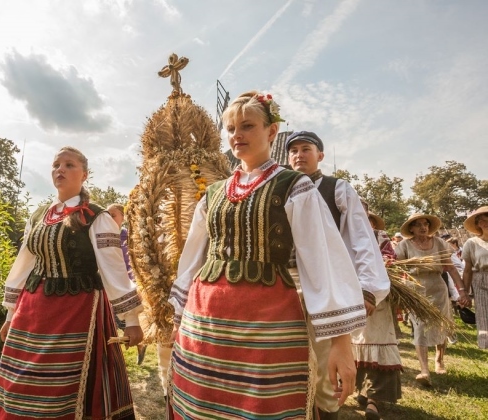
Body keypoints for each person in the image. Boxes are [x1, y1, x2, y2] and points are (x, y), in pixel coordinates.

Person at [168, 91, 367, 419]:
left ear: (271, 131)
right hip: (204, 323)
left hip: (267, 326)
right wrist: (179, 318)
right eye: (231, 128)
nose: (237, 135)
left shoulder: (294, 186)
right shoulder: (214, 193)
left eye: (247, 126)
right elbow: (191, 259)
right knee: (201, 405)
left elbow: (323, 261)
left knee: (263, 406)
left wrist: (340, 343)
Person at [0, 146, 143, 420]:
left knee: (68, 383)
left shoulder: (97, 217)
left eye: (69, 165)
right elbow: (23, 263)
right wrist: (10, 313)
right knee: (20, 380)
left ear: (84, 174)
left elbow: (114, 269)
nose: (60, 170)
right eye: (56, 165)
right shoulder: (39, 215)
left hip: (77, 312)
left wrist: (131, 319)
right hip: (32, 311)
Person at [286, 131, 391, 420]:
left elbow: (361, 239)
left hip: (325, 288)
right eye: (293, 150)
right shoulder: (280, 188)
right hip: (284, 287)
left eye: (306, 148)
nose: (298, 155)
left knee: (324, 370)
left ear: (320, 155)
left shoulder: (337, 188)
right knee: (287, 367)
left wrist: (368, 289)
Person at [395, 214, 471, 386]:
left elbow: (451, 269)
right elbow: (397, 267)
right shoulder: (404, 245)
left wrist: (463, 292)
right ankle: (424, 369)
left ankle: (439, 359)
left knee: (441, 324)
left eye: (426, 224)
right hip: (415, 290)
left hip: (437, 287)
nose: (423, 227)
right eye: (419, 225)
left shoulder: (439, 243)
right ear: (411, 229)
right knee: (420, 326)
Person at [355, 211, 403, 420]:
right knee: (354, 346)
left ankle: (374, 400)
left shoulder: (379, 238)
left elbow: (390, 260)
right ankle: (362, 390)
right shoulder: (342, 235)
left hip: (378, 298)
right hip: (350, 298)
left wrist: (380, 268)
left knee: (379, 343)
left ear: (373, 222)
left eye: (368, 218)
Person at [106, 203, 148, 365]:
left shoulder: (128, 237)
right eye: (107, 215)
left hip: (126, 285)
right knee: (113, 322)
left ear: (122, 218)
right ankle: (115, 357)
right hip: (109, 286)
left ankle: (140, 345)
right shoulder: (102, 235)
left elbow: (135, 261)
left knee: (127, 322)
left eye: (113, 215)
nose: (109, 219)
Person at [462, 206, 488, 349]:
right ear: (477, 224)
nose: (485, 223)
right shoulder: (472, 243)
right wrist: (464, 292)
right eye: (481, 220)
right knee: (484, 321)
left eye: (487, 219)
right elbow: (467, 270)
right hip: (481, 283)